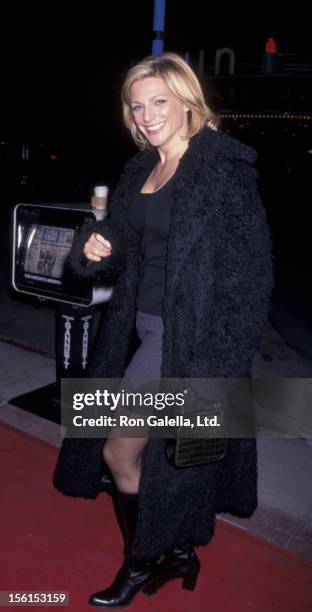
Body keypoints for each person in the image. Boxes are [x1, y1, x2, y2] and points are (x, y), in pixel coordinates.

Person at [53, 52, 273, 608]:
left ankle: (141, 559)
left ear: (186, 101)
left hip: (190, 339)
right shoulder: (140, 169)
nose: (148, 116)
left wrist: (218, 365)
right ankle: (176, 554)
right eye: (137, 106)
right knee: (157, 455)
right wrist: (97, 246)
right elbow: (126, 249)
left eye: (159, 102)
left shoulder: (222, 165)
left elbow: (252, 274)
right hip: (138, 327)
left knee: (119, 452)